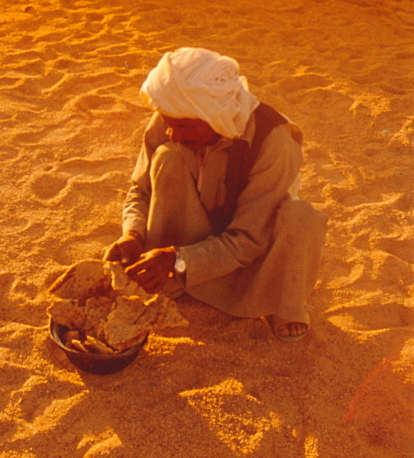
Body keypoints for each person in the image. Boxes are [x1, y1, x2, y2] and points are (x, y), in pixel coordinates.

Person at [104, 47, 327, 341]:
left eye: (185, 127)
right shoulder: (174, 114)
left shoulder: (276, 141)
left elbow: (248, 239)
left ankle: (281, 303)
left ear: (216, 116)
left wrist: (179, 259)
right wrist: (132, 234)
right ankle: (177, 279)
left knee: (301, 218)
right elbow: (140, 188)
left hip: (250, 243)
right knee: (167, 157)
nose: (173, 134)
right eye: (170, 124)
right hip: (194, 237)